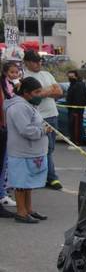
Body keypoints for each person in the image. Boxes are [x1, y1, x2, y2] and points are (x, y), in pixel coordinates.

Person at [4, 77, 51, 224]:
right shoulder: (18, 107)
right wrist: (43, 131)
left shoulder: (28, 104)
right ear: (26, 92)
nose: (40, 95)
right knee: (20, 184)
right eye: (36, 92)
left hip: (31, 152)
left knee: (27, 184)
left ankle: (28, 209)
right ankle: (21, 212)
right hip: (21, 152)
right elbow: (25, 130)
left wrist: (42, 128)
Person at [23, 51, 63, 190]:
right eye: (35, 61)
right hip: (37, 117)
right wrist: (48, 91)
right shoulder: (24, 77)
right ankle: (50, 177)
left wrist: (42, 92)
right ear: (27, 62)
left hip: (52, 115)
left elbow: (59, 92)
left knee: (50, 148)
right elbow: (31, 97)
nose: (38, 64)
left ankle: (47, 176)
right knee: (40, 149)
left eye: (39, 61)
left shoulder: (47, 74)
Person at [0, 61, 22, 215]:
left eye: (16, 72)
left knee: (4, 163)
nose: (14, 75)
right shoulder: (4, 85)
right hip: (4, 126)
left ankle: (2, 193)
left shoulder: (12, 85)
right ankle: (2, 194)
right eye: (11, 72)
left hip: (5, 127)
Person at [65, 70, 86, 145]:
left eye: (72, 76)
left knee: (76, 127)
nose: (70, 78)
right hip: (72, 109)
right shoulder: (72, 85)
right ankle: (74, 141)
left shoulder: (78, 85)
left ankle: (76, 143)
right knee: (72, 126)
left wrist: (75, 110)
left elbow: (79, 98)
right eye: (69, 77)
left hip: (76, 111)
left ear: (76, 76)